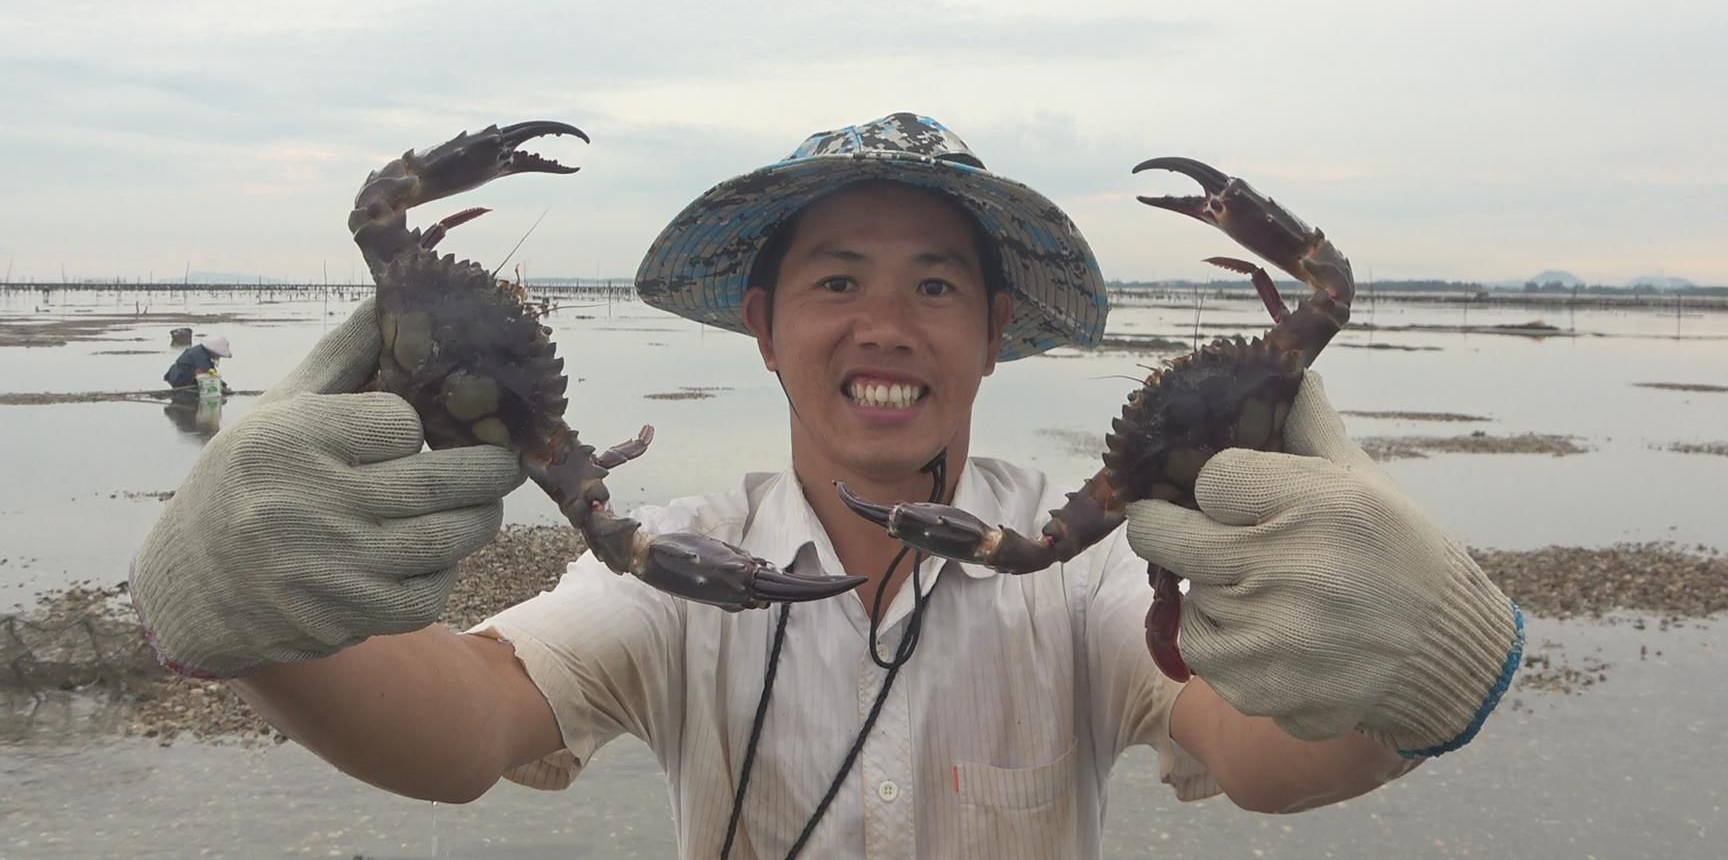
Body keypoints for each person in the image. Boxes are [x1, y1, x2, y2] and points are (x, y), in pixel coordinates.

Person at [130, 113, 1522, 858]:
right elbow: (463, 732)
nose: (884, 324)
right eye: (836, 281)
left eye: (934, 286)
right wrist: (245, 615)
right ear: (763, 325)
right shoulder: (675, 563)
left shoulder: (1086, 567)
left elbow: (1258, 758)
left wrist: (1428, 675)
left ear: (992, 333)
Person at [163, 335, 232, 393]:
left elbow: (211, 371)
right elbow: (208, 372)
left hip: (176, 375)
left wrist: (223, 385)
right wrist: (221, 387)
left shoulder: (201, 351)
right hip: (180, 378)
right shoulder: (200, 355)